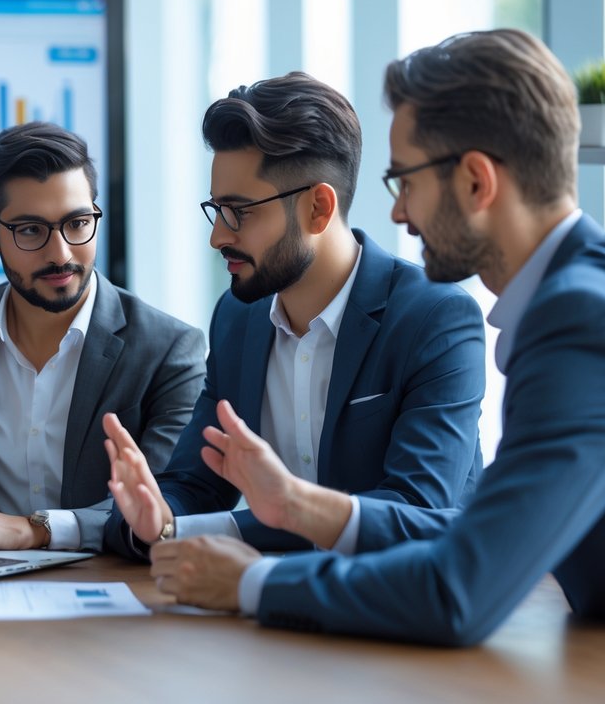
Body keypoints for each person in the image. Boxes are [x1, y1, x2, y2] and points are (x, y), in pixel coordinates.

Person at [150, 29, 605, 644]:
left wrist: (250, 585)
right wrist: (293, 505)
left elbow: (459, 588)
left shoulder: (583, 321)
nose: (396, 213)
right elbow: (483, 531)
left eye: (406, 182)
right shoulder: (598, 285)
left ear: (476, 181)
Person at [104, 72, 486, 557]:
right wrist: (153, 514)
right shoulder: (236, 319)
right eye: (216, 209)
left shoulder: (436, 320)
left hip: (406, 612)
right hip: (270, 604)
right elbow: (195, 486)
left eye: (238, 212)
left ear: (318, 209)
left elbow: (416, 513)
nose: (217, 237)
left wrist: (229, 528)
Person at [0, 121, 205, 553]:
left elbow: (165, 507)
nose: (61, 253)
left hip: (111, 580)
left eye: (78, 223)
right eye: (31, 230)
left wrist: (32, 529)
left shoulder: (168, 349)